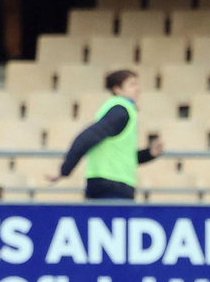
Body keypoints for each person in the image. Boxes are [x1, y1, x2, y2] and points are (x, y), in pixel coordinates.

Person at [50, 69, 164, 200]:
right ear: (117, 90)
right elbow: (86, 138)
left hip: (112, 182)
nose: (138, 89)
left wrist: (149, 153)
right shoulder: (120, 112)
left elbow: (123, 156)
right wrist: (65, 169)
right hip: (111, 185)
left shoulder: (121, 111)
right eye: (132, 84)